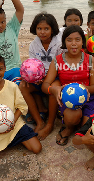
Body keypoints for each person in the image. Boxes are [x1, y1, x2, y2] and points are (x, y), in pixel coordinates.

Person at [0, 54, 42, 156]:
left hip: (15, 125)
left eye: (0, 69)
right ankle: (9, 140)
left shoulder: (12, 86)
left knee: (37, 148)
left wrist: (12, 122)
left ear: (5, 69)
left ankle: (11, 138)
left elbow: (22, 106)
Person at [41, 25, 94, 146]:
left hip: (89, 98)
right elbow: (45, 85)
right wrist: (54, 89)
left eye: (77, 40)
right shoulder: (57, 60)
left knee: (88, 128)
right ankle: (68, 128)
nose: (73, 43)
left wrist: (81, 89)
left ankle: (76, 126)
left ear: (82, 42)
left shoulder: (91, 60)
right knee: (73, 116)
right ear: (64, 42)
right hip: (68, 100)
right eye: (69, 40)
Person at [19, 12, 63, 140]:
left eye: (46, 29)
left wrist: (46, 79)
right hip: (39, 78)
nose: (42, 32)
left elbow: (62, 64)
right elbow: (32, 64)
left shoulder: (59, 43)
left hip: (55, 77)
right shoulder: (33, 45)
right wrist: (31, 77)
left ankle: (50, 124)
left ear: (52, 29)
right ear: (35, 29)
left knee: (52, 88)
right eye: (39, 28)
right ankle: (39, 121)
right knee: (23, 86)